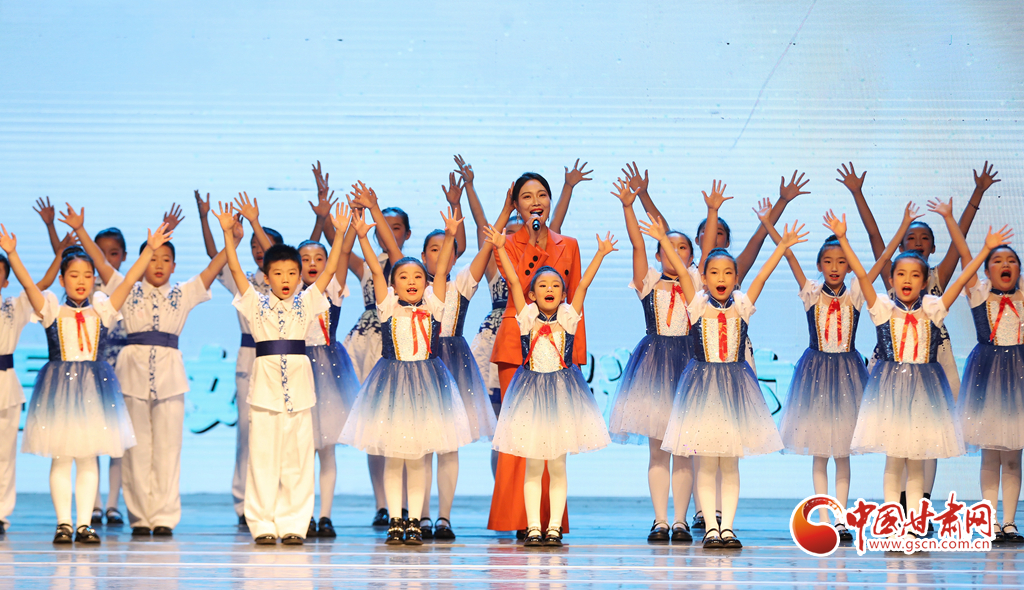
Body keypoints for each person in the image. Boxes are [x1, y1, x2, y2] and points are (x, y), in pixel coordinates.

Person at [830, 211, 1006, 539]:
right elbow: (863, 277)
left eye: (914, 275)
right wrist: (842, 239)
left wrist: (985, 250)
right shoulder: (883, 308)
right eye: (900, 274)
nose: (907, 280)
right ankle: (892, 524)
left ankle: (913, 526)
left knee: (916, 462)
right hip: (890, 393)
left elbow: (959, 282)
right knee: (894, 461)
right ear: (892, 279)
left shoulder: (933, 308)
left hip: (925, 393)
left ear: (925, 282)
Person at [760, 197, 922, 541]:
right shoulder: (811, 292)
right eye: (828, 261)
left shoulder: (857, 294)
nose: (835, 267)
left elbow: (883, 261)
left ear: (849, 266)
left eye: (842, 261)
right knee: (820, 452)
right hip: (815, 374)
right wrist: (771, 226)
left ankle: (842, 520)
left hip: (848, 374)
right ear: (819, 264)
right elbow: (788, 255)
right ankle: (823, 516)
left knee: (843, 453)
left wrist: (902, 226)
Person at [61, 204, 226, 538]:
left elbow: (213, 269)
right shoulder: (127, 289)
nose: (159, 265)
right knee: (135, 450)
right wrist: (79, 230)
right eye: (153, 258)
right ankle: (139, 516)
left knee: (168, 449)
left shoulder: (183, 292)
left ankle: (164, 516)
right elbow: (102, 264)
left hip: (171, 375)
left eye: (166, 260)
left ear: (174, 265)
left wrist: (230, 239)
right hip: (131, 374)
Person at [661, 188, 805, 549]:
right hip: (702, 389)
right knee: (707, 462)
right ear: (704, 277)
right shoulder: (697, 303)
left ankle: (727, 527)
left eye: (728, 271)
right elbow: (683, 272)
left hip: (735, 387)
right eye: (713, 272)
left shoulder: (741, 303)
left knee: (730, 463)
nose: (721, 277)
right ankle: (710, 527)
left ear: (735, 277)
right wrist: (663, 239)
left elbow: (762, 278)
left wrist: (781, 248)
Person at [13, 221, 173, 544]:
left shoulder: (102, 308)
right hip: (59, 390)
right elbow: (29, 285)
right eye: (74, 275)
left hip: (94, 390)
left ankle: (85, 524)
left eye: (87, 276)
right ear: (62, 279)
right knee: (61, 457)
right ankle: (63, 523)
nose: (81, 281)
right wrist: (13, 254)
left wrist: (150, 251)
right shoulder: (52, 308)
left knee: (88, 457)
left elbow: (129, 281)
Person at [214, 199, 349, 545]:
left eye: (292, 273)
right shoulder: (255, 302)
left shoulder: (307, 302)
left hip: (300, 393)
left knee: (298, 461)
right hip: (264, 394)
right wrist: (228, 234)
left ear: (300, 276)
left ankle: (294, 524)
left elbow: (330, 270)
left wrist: (340, 233)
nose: (286, 279)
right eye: (278, 273)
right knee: (262, 460)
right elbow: (234, 268)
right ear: (266, 276)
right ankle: (262, 523)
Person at [340, 207, 472, 546]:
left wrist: (451, 235)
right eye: (403, 277)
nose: (411, 282)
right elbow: (374, 268)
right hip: (392, 386)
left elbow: (441, 272)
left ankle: (415, 520)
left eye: (417, 277)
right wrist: (362, 236)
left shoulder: (433, 305)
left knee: (416, 457)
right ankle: (395, 520)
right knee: (393, 456)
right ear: (393, 284)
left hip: (426, 386)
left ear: (426, 284)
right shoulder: (387, 306)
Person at [487, 222, 615, 547]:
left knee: (557, 466)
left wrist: (600, 255)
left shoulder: (569, 317)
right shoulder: (527, 316)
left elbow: (583, 284)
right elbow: (513, 280)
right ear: (532, 294)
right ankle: (533, 527)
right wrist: (500, 247)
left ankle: (554, 527)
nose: (549, 289)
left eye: (555, 285)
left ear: (562, 294)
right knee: (532, 466)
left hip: (561, 396)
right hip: (529, 395)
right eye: (542, 285)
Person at [604, 177, 706, 544]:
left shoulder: (697, 281)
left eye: (683, 248)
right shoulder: (648, 280)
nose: (675, 253)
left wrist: (665, 234)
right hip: (654, 367)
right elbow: (637, 243)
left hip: (689, 365)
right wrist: (628, 206)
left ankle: (681, 520)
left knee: (685, 449)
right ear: (659, 254)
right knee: (658, 448)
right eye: (668, 248)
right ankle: (661, 519)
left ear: (692, 257)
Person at [487, 172, 587, 536]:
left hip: (557, 349)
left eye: (542, 195)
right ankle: (522, 521)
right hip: (518, 342)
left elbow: (576, 299)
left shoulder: (569, 244)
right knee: (519, 438)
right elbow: (519, 282)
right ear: (516, 205)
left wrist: (575, 353)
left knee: (554, 438)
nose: (536, 202)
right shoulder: (507, 242)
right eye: (527, 197)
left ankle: (549, 521)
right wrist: (529, 239)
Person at [418, 175, 500, 540]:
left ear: (455, 254)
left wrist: (506, 208)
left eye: (447, 248)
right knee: (421, 445)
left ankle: (444, 517)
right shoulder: (410, 285)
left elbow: (487, 245)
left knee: (448, 446)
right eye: (433, 250)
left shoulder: (462, 283)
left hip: (453, 364)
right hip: (419, 366)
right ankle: (420, 515)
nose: (440, 255)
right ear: (423, 256)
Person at [196, 190, 281, 526]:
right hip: (250, 357)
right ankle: (244, 503)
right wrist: (208, 220)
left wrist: (256, 225)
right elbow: (212, 257)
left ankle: (275, 502)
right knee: (247, 434)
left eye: (265, 246)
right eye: (254, 247)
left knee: (280, 434)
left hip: (282, 358)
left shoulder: (289, 282)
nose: (259, 251)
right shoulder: (243, 280)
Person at [0, 235, 74, 535]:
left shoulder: (13, 305)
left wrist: (58, 255)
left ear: (5, 281)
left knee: (5, 454)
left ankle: (0, 513)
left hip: (6, 385)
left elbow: (39, 285)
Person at [957, 243, 1024, 543]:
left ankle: (1009, 522)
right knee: (990, 456)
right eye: (997, 261)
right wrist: (952, 221)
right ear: (986, 271)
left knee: (1013, 456)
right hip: (987, 376)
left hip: (1019, 378)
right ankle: (990, 522)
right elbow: (965, 259)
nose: (1005, 264)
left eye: (1012, 260)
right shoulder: (980, 295)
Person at [295, 239, 359, 539]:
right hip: (299, 369)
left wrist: (344, 233)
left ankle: (325, 516)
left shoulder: (333, 288)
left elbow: (341, 257)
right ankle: (304, 515)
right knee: (303, 451)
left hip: (330, 372)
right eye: (305, 258)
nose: (312, 263)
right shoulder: (291, 294)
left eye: (319, 258)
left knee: (327, 450)